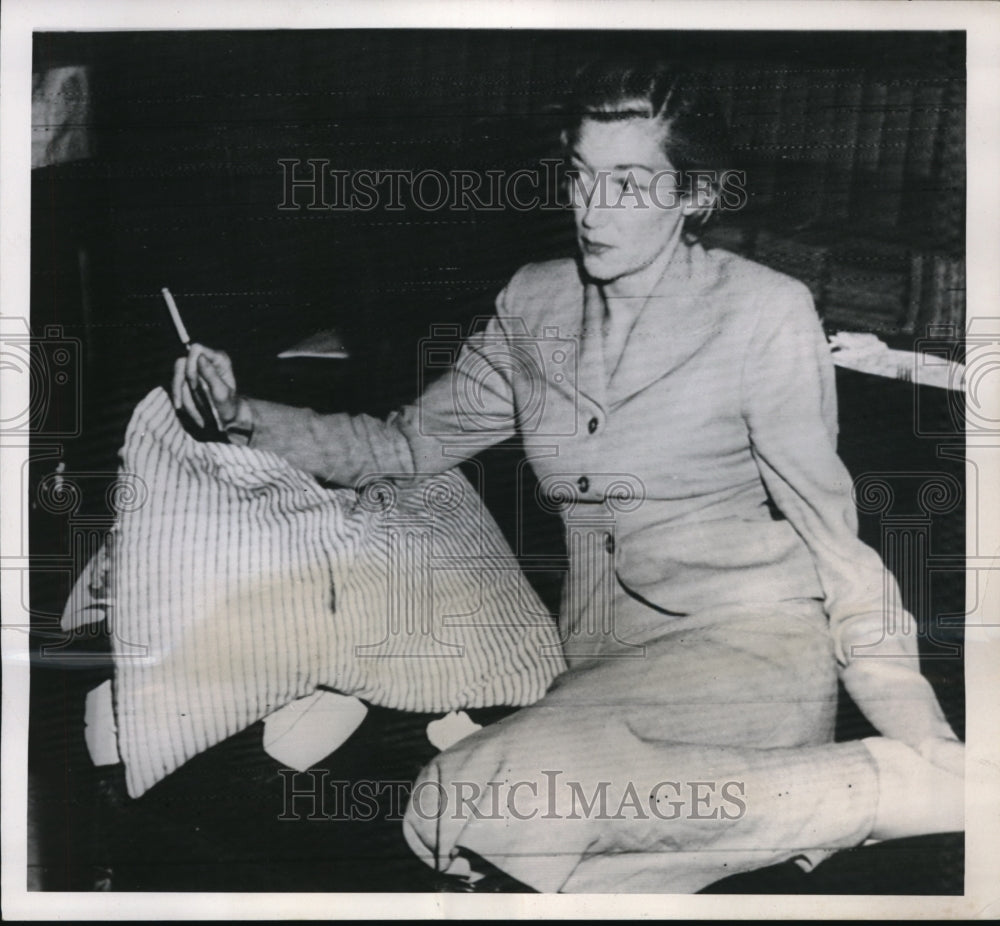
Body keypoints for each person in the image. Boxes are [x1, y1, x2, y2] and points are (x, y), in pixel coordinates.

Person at [174, 60, 963, 892]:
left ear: (694, 195)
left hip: (751, 650)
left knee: (484, 797)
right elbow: (403, 446)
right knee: (462, 830)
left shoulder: (765, 313)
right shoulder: (534, 302)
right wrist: (239, 415)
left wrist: (924, 734)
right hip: (599, 669)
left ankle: (892, 786)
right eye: (582, 176)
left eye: (628, 183)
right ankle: (816, 808)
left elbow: (836, 546)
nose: (591, 208)